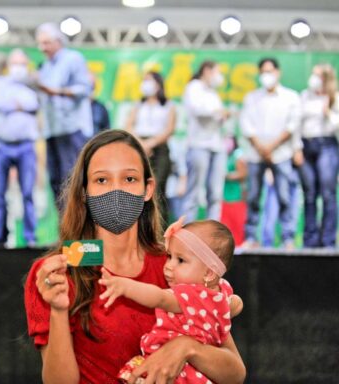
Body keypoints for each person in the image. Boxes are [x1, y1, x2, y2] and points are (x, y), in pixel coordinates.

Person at [24, 130, 245, 384]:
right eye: (101, 180)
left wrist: (187, 348)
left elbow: (235, 373)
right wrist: (58, 310)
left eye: (129, 179)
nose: (116, 191)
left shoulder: (175, 266)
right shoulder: (56, 274)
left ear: (147, 189)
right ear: (84, 192)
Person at [99, 217, 243, 384]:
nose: (168, 265)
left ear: (209, 273)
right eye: (169, 256)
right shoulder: (218, 289)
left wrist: (125, 286)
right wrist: (229, 308)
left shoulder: (189, 294)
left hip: (180, 374)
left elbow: (159, 297)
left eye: (180, 260)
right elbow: (236, 302)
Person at [240, 58, 300, 250]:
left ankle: (287, 238)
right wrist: (261, 146)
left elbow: (292, 126)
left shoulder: (290, 97)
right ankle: (251, 237)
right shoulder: (252, 97)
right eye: (263, 72)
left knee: (284, 196)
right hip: (256, 154)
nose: (267, 76)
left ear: (278, 72)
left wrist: (271, 146)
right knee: (254, 196)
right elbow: (246, 125)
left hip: (281, 153)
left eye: (270, 71)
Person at [35, 22, 93, 205]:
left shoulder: (73, 58)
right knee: (56, 182)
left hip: (72, 129)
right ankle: (65, 229)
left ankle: (78, 230)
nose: (42, 48)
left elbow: (85, 88)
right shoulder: (45, 67)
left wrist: (57, 91)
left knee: (72, 180)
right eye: (40, 44)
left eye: (46, 43)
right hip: (52, 130)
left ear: (58, 41)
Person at [0, 49, 39, 248]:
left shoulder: (32, 86)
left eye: (22, 64)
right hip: (1, 146)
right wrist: (19, 105)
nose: (19, 68)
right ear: (9, 65)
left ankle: (30, 238)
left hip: (26, 146)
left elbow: (34, 103)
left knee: (27, 193)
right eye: (15, 63)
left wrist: (18, 104)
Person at [182, 61, 230, 223]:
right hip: (198, 145)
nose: (219, 77)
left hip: (217, 146)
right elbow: (198, 109)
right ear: (207, 71)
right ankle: (187, 233)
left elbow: (219, 118)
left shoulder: (213, 93)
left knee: (216, 193)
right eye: (217, 72)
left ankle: (214, 233)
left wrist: (222, 115)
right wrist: (218, 112)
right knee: (194, 192)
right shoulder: (194, 87)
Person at [125, 71, 176, 226]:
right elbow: (128, 125)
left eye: (148, 80)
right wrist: (141, 143)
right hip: (139, 147)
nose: (145, 83)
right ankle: (140, 229)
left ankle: (161, 231)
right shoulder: (138, 104)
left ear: (158, 84)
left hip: (159, 148)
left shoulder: (168, 105)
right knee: (138, 187)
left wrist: (151, 144)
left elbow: (169, 129)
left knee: (158, 188)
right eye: (144, 80)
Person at [298, 64, 339, 247]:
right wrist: (296, 148)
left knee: (328, 194)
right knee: (309, 194)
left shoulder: (334, 98)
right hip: (306, 145)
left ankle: (328, 240)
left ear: (326, 78)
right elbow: (296, 123)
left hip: (327, 146)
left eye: (317, 75)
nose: (313, 78)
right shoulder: (304, 97)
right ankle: (310, 239)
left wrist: (328, 112)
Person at [220, 136, 247, 246]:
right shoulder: (223, 156)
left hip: (236, 194)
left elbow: (243, 174)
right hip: (224, 195)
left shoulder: (238, 155)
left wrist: (228, 176)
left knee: (237, 222)